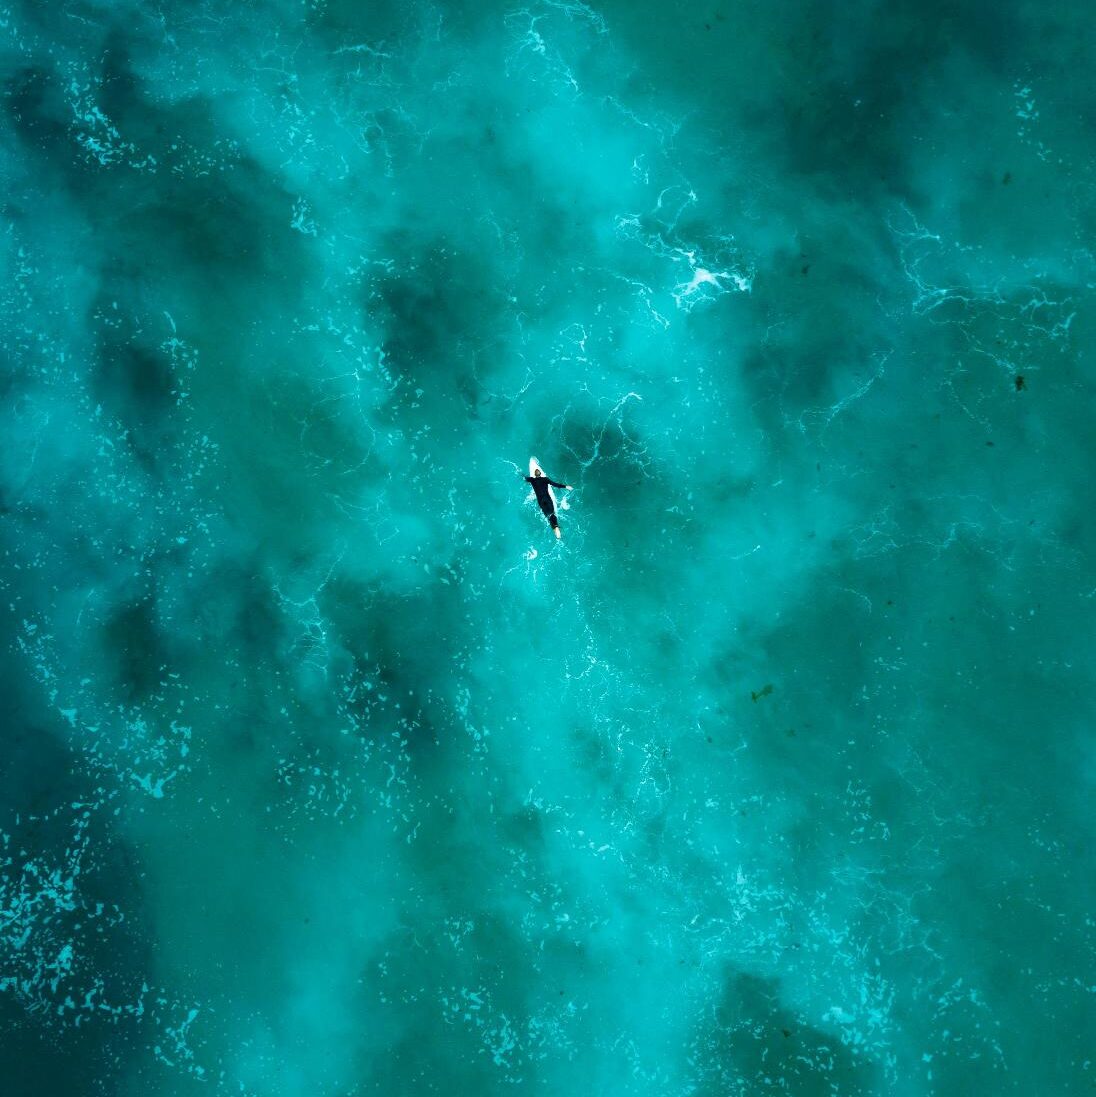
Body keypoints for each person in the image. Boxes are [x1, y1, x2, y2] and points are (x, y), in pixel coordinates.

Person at [525, 468, 572, 538]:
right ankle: (556, 528)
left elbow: (525, 478)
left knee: (549, 516)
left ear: (535, 475)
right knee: (552, 514)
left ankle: (555, 529)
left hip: (541, 501)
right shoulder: (545, 479)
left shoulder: (532, 480)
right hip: (548, 500)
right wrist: (566, 486)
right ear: (540, 474)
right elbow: (555, 484)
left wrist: (521, 474)